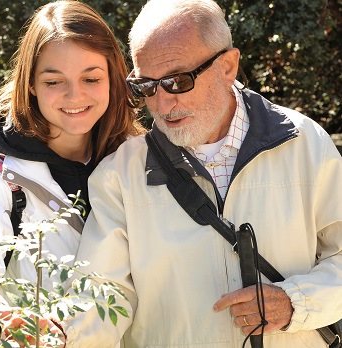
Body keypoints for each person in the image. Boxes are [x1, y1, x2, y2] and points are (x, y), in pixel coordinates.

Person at [60, 0, 342, 347]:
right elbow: (101, 298)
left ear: (227, 66)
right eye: (147, 86)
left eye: (177, 82)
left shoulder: (306, 144)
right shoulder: (119, 175)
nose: (163, 106)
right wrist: (55, 338)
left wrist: (295, 303)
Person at [0, 0, 145, 346]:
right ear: (30, 84)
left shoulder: (143, 161)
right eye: (54, 81)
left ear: (113, 78)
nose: (75, 95)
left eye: (91, 77)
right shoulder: (1, 176)